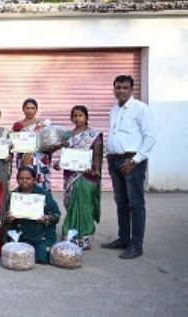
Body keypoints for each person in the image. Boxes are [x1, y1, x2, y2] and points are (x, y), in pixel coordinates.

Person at [102, 75, 155, 259]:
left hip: (132, 162)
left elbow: (150, 137)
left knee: (136, 203)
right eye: (118, 87)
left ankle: (136, 245)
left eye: (125, 87)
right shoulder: (114, 110)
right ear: (114, 89)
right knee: (121, 202)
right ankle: (123, 239)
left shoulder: (140, 108)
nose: (121, 91)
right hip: (115, 160)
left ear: (132, 89)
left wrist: (134, 161)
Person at [53, 106, 103, 250]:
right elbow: (65, 155)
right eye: (74, 116)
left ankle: (85, 236)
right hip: (70, 176)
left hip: (86, 176)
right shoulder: (68, 135)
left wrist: (96, 170)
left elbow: (97, 155)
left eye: (80, 115)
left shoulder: (94, 135)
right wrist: (58, 164)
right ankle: (70, 235)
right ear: (71, 118)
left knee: (84, 206)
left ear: (86, 118)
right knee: (72, 205)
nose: (77, 118)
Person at [4, 167, 61, 264]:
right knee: (16, 256)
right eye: (21, 178)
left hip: (40, 235)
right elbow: (5, 217)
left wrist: (46, 218)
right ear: (17, 180)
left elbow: (57, 215)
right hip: (20, 234)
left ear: (34, 180)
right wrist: (8, 218)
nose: (24, 181)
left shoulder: (43, 194)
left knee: (42, 258)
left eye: (28, 178)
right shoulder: (14, 196)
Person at [12, 98, 53, 192]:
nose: (30, 111)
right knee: (25, 181)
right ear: (23, 109)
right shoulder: (18, 125)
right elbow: (14, 143)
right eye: (27, 108)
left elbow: (49, 143)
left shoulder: (43, 125)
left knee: (41, 184)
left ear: (36, 109)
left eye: (32, 108)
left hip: (41, 160)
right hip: (25, 159)